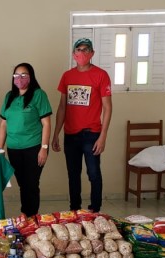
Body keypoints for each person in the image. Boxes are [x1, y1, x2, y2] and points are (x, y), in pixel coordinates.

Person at [52, 38, 112, 213]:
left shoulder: (101, 75)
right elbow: (62, 107)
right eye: (79, 50)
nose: (82, 53)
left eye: (86, 50)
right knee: (73, 175)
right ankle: (75, 210)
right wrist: (56, 134)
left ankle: (94, 210)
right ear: (73, 54)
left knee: (93, 174)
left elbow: (108, 107)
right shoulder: (67, 76)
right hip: (70, 135)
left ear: (92, 53)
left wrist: (103, 136)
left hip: (92, 134)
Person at [0, 63, 52, 217]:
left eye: (23, 75)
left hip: (34, 147)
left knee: (32, 183)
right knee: (23, 184)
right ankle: (26, 213)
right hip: (14, 148)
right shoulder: (9, 96)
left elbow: (46, 123)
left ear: (31, 77)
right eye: (16, 75)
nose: (19, 78)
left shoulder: (39, 94)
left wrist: (44, 147)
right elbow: (3, 124)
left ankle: (30, 214)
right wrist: (0, 149)